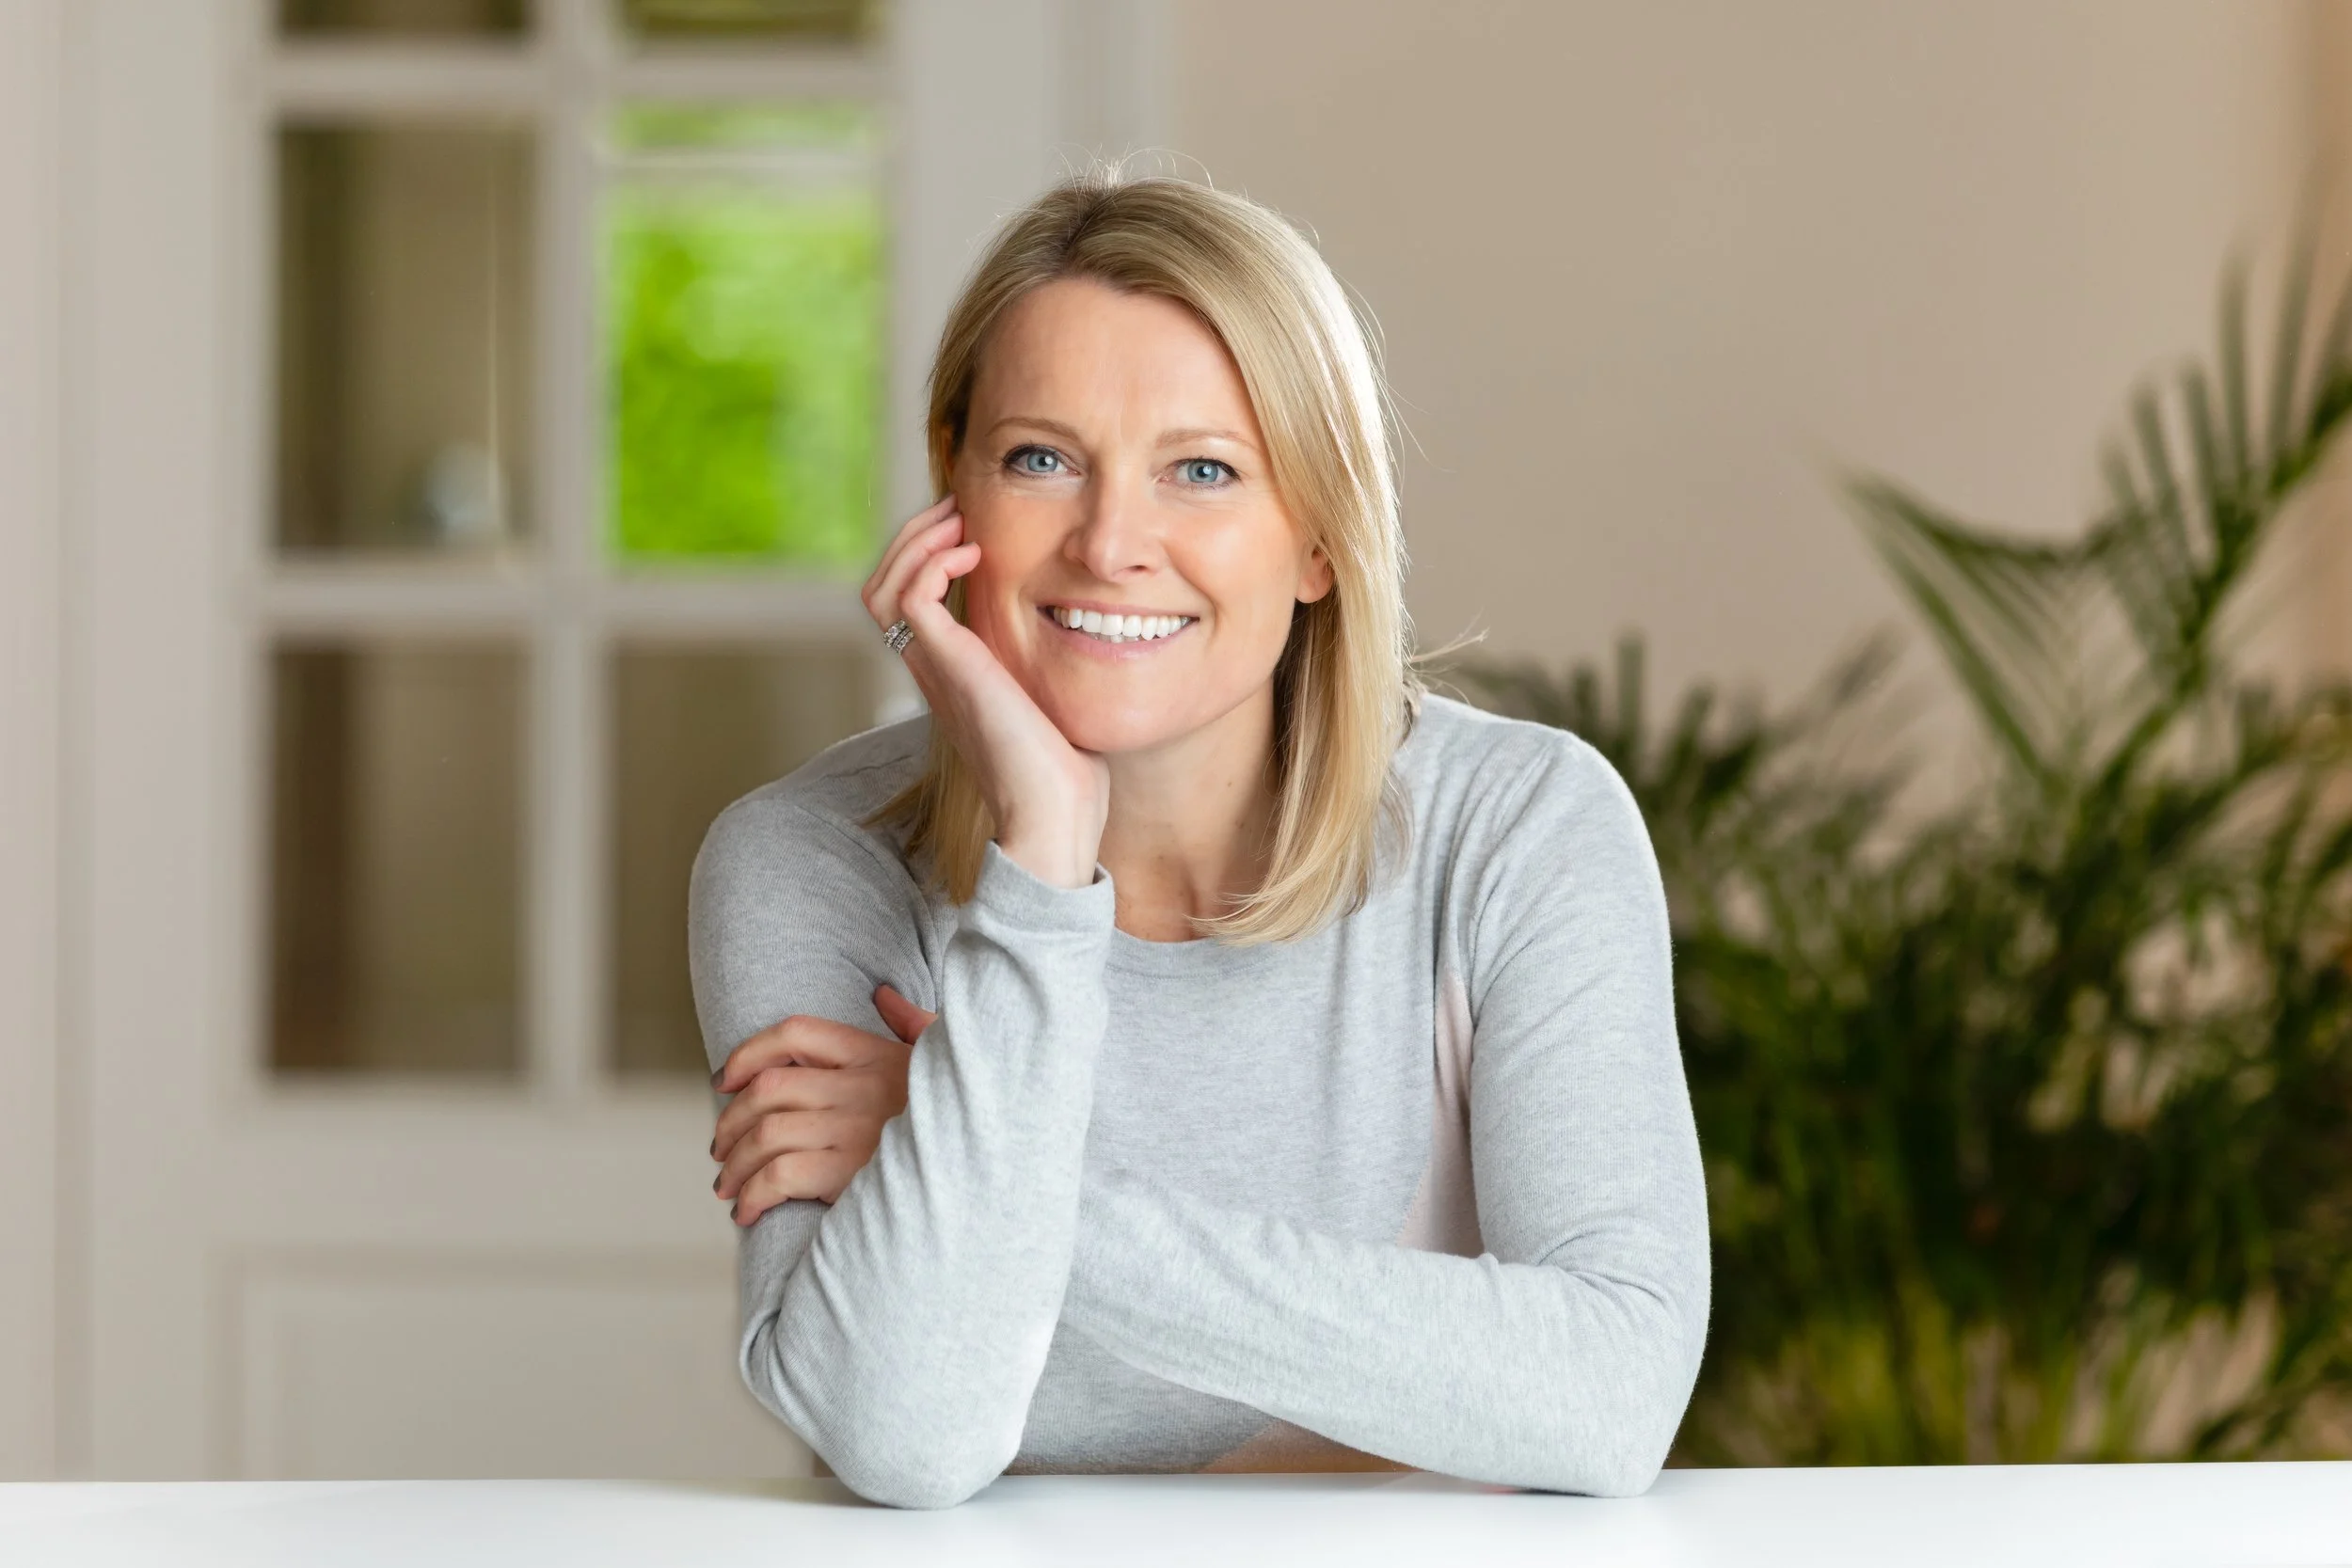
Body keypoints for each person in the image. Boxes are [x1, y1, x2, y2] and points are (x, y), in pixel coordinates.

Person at [690, 171, 1709, 1509]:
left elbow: (1609, 1391)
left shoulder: (1518, 831)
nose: (1113, 542)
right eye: (1040, 459)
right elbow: (904, 1435)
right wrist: (1045, 855)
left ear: (1320, 540)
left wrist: (952, 1145)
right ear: (954, 492)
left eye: (1204, 470)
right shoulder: (808, 859)